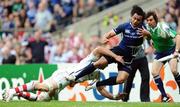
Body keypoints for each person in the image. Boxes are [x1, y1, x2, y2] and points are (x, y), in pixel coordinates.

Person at [2, 44, 124, 102]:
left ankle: (16, 93)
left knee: (41, 99)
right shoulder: (92, 59)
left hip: (65, 81)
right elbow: (99, 48)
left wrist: (114, 97)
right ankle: (12, 91)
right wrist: (115, 56)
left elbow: (101, 89)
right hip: (64, 75)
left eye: (108, 64)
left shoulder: (96, 74)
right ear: (102, 59)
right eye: (106, 63)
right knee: (44, 87)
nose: (106, 65)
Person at [67, 5, 146, 93]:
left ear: (141, 20)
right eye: (134, 18)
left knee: (121, 79)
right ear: (131, 17)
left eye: (138, 20)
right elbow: (110, 33)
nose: (135, 21)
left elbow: (151, 38)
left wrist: (148, 35)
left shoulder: (143, 29)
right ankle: (75, 77)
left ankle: (97, 84)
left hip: (128, 58)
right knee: (99, 63)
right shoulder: (124, 26)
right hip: (119, 51)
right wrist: (106, 37)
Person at [139, 11, 180, 102]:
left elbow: (177, 36)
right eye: (148, 20)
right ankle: (165, 97)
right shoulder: (147, 28)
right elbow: (150, 38)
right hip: (160, 53)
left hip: (170, 50)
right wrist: (153, 44)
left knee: (174, 70)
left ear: (156, 19)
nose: (149, 22)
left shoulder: (163, 26)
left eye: (151, 20)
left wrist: (176, 51)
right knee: (154, 72)